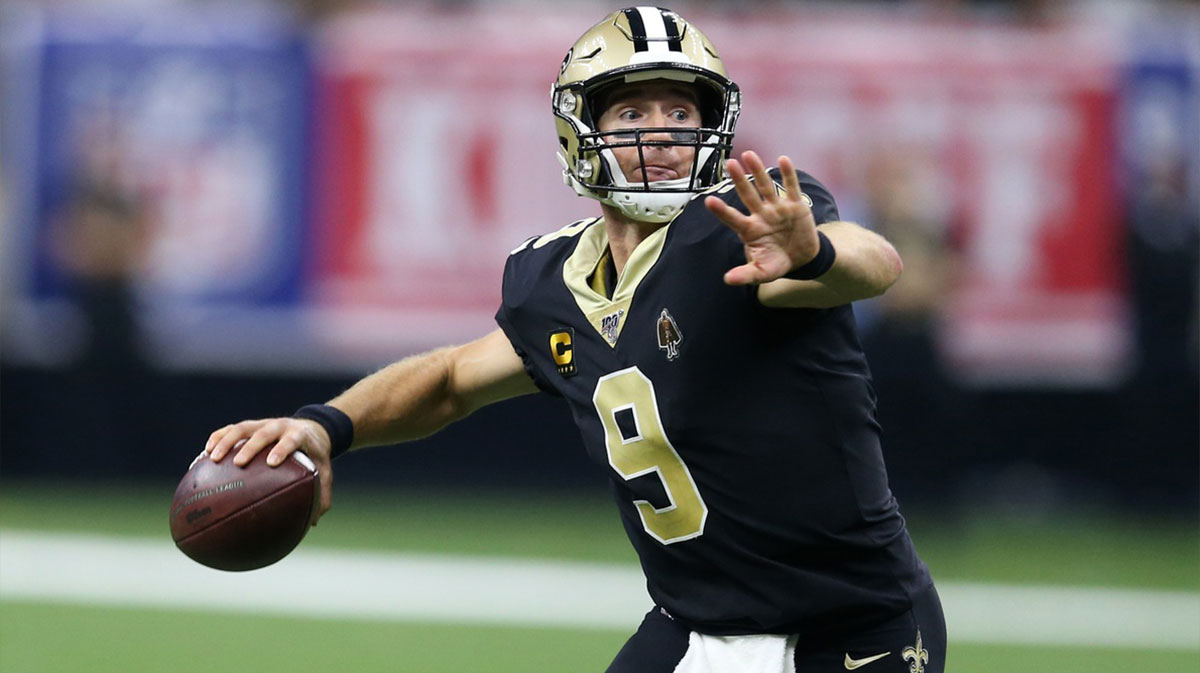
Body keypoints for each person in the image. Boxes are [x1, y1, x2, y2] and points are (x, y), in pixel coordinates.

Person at [206, 7, 946, 672]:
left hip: (852, 622)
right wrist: (325, 427)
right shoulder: (550, 281)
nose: (661, 132)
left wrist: (811, 251)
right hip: (696, 626)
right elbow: (452, 379)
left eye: (681, 110)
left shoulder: (740, 232)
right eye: (632, 111)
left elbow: (872, 264)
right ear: (582, 130)